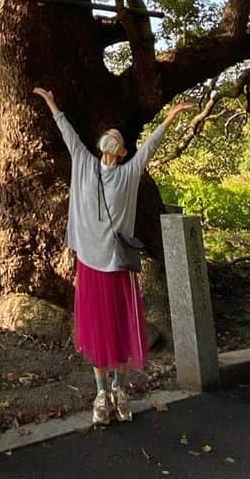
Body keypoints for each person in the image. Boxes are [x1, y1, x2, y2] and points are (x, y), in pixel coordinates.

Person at [33, 86, 194, 427]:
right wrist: (51, 101)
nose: (113, 139)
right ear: (110, 148)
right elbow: (69, 132)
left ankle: (114, 391)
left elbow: (144, 147)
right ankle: (106, 393)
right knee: (104, 332)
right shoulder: (100, 166)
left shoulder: (114, 170)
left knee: (112, 331)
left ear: (117, 152)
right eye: (112, 135)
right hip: (98, 264)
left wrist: (171, 116)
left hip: (112, 265)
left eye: (116, 138)